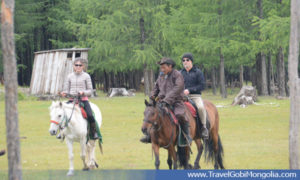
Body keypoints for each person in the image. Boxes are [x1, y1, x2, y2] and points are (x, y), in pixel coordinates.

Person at [140, 57, 192, 144]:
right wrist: (152, 96)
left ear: (170, 66)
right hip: (162, 102)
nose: (162, 69)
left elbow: (178, 88)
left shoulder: (177, 75)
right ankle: (149, 136)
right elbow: (156, 87)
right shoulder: (161, 75)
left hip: (176, 102)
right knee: (152, 114)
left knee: (180, 115)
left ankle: (186, 136)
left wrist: (167, 99)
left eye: (163, 67)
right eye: (161, 67)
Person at [60, 58, 98, 139]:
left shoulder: (86, 76)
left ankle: (94, 132)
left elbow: (90, 91)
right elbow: (67, 90)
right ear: (74, 66)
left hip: (83, 100)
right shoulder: (69, 76)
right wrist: (64, 93)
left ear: (83, 66)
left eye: (80, 65)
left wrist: (83, 92)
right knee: (61, 113)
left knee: (90, 115)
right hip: (71, 100)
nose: (78, 67)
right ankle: (61, 132)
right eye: (76, 65)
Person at [180, 53, 209, 139]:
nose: (185, 62)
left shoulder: (198, 72)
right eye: (183, 60)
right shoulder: (180, 73)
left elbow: (202, 85)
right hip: (182, 97)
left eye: (187, 60)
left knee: (200, 107)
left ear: (191, 61)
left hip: (195, 96)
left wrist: (189, 90)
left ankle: (204, 127)